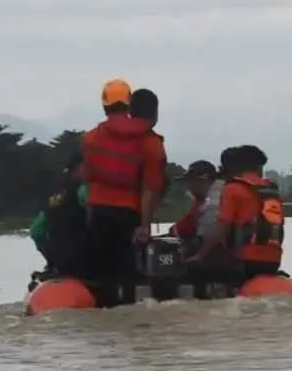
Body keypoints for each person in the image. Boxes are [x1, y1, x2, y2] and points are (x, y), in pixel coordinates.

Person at [79, 81, 168, 305]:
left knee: (101, 272)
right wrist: (144, 225)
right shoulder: (150, 142)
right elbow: (151, 188)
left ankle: (103, 313)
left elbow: (89, 180)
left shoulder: (91, 138)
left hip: (98, 212)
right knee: (128, 274)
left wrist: (90, 213)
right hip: (128, 214)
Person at [189, 145, 286, 284]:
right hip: (274, 260)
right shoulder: (272, 191)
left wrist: (200, 255)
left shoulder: (233, 189)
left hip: (244, 261)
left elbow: (223, 226)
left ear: (233, 167)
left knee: (196, 272)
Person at [30, 151, 89, 283]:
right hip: (85, 259)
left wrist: (52, 258)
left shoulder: (54, 192)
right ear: (77, 168)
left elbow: (36, 230)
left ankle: (55, 267)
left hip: (60, 261)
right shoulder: (84, 189)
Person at [168, 159, 218, 243]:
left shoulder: (212, 202)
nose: (188, 185)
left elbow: (184, 230)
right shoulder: (200, 201)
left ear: (203, 181)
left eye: (191, 181)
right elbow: (181, 227)